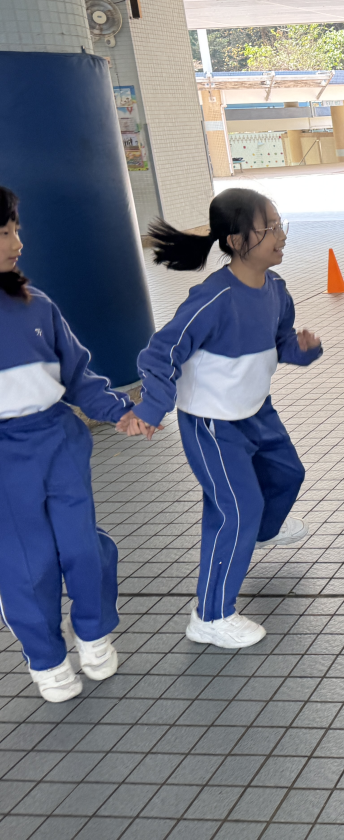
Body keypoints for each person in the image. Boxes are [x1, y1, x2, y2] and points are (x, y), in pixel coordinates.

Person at [124, 189, 323, 649]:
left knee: (288, 474)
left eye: (280, 224)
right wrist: (151, 408)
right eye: (269, 227)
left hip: (255, 410)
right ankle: (210, 616)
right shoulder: (213, 298)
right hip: (212, 422)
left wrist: (302, 350)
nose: (280, 235)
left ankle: (261, 532)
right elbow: (161, 353)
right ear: (235, 241)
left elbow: (280, 342)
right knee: (235, 509)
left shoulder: (276, 289)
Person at [0, 187, 131, 702]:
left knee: (83, 546)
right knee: (27, 563)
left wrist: (121, 411)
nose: (18, 242)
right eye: (5, 232)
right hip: (5, 459)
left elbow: (77, 374)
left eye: (16, 229)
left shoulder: (37, 305)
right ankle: (47, 659)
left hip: (59, 441)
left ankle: (93, 633)